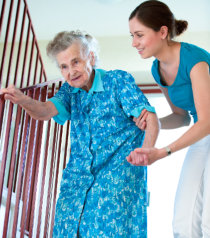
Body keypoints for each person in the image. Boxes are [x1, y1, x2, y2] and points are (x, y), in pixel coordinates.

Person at [0, 30, 159, 237]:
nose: (70, 72)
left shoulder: (117, 81)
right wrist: (22, 100)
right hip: (76, 182)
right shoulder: (69, 91)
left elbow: (151, 118)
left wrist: (146, 150)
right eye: (63, 67)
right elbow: (45, 111)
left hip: (115, 179)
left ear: (91, 57)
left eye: (75, 62)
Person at [127, 1, 210, 237]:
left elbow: (207, 120)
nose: (134, 43)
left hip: (207, 125)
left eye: (139, 35)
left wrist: (163, 152)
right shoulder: (157, 69)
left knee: (208, 219)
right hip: (203, 131)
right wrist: (155, 122)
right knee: (183, 222)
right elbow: (182, 117)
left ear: (162, 32)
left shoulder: (195, 60)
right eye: (132, 36)